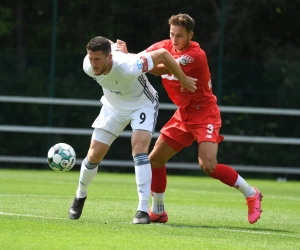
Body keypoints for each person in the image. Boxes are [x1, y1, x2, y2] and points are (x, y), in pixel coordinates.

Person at [118, 13, 263, 224]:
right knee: (155, 160)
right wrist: (128, 55)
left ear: (190, 35)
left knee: (208, 166)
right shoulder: (163, 45)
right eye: (172, 34)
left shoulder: (196, 55)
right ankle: (158, 211)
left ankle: (251, 194)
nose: (175, 39)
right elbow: (141, 59)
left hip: (204, 113)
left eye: (180, 35)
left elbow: (159, 68)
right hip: (183, 114)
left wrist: (138, 58)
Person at [68, 36, 197, 224]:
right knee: (94, 155)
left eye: (98, 59)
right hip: (113, 108)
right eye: (91, 59)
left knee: (139, 150)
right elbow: (103, 44)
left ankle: (142, 210)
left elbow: (162, 54)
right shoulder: (88, 66)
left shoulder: (129, 65)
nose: (93, 64)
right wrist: (113, 44)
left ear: (109, 57)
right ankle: (80, 196)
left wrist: (183, 79)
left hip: (142, 105)